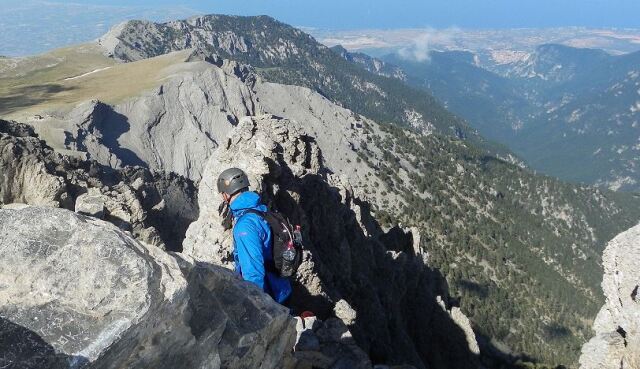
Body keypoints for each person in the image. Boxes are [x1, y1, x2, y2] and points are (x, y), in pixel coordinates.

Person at [217, 167, 292, 305]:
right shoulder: (260, 209)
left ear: (226, 195)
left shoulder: (245, 225)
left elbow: (253, 270)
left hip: (269, 295)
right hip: (280, 287)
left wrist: (254, 305)